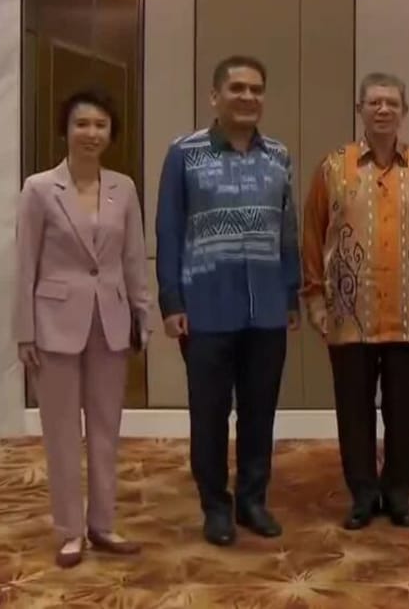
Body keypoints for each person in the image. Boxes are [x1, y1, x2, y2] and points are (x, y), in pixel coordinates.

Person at [155, 55, 300, 547]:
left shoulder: (278, 156)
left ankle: (253, 500)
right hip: (205, 308)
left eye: (256, 89)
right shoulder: (184, 153)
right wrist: (172, 301)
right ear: (214, 96)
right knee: (210, 415)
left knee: (260, 413)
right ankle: (215, 506)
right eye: (237, 88)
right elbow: (169, 229)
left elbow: (288, 231)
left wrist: (291, 293)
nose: (248, 97)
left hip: (267, 308)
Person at [301, 72, 409, 531]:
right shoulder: (333, 168)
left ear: (405, 112)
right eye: (374, 103)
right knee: (354, 411)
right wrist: (315, 297)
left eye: (392, 103)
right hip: (349, 314)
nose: (383, 110)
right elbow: (313, 234)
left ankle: (399, 493)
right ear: (360, 109)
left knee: (405, 411)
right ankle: (363, 494)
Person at [13, 88, 150, 568]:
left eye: (100, 125)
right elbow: (24, 263)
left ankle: (103, 524)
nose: (91, 133)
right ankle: (70, 531)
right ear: (66, 130)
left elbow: (133, 258)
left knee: (107, 428)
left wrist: (143, 315)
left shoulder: (123, 188)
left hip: (111, 322)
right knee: (62, 432)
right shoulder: (38, 188)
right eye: (82, 124)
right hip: (53, 324)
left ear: (111, 133)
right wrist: (24, 331)